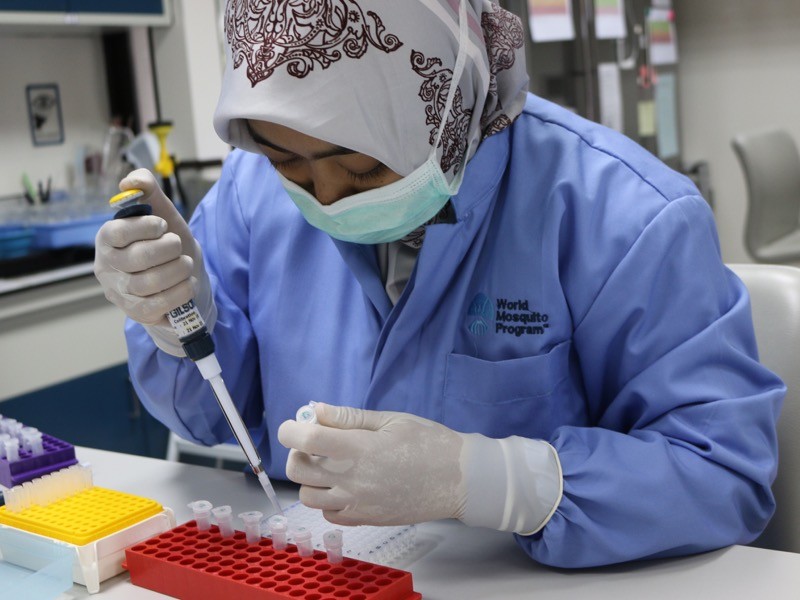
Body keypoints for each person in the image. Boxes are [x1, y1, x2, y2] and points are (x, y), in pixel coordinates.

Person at [94, 0, 784, 568]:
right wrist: (176, 319)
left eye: (361, 170)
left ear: (445, 104)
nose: (328, 198)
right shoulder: (250, 193)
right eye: (293, 166)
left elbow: (724, 476)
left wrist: (492, 480)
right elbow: (220, 414)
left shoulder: (625, 215)